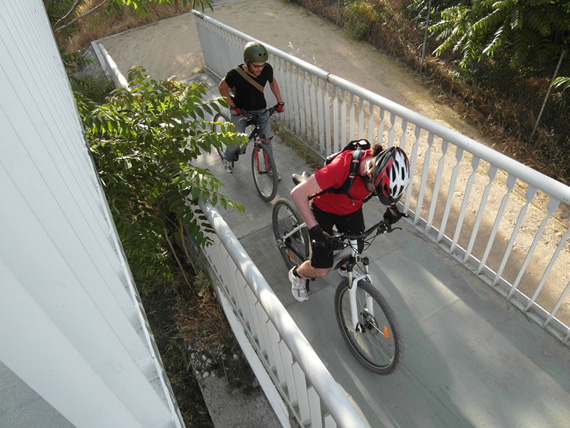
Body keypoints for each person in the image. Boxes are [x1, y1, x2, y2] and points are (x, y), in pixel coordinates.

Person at [288, 143, 411, 302]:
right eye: (377, 191)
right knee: (321, 269)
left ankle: (345, 268)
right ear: (369, 173)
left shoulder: (378, 167)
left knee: (357, 246)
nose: (375, 194)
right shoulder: (341, 168)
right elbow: (297, 194)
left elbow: (384, 188)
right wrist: (315, 230)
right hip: (323, 210)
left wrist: (392, 209)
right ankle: (297, 275)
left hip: (350, 209)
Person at [218, 41, 285, 173]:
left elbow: (272, 82)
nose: (260, 69)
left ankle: (271, 169)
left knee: (267, 140)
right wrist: (232, 106)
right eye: (256, 66)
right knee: (236, 139)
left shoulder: (267, 69)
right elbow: (222, 88)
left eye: (262, 65)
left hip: (261, 109)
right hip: (240, 111)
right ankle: (227, 158)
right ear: (247, 62)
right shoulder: (234, 74)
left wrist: (280, 101)